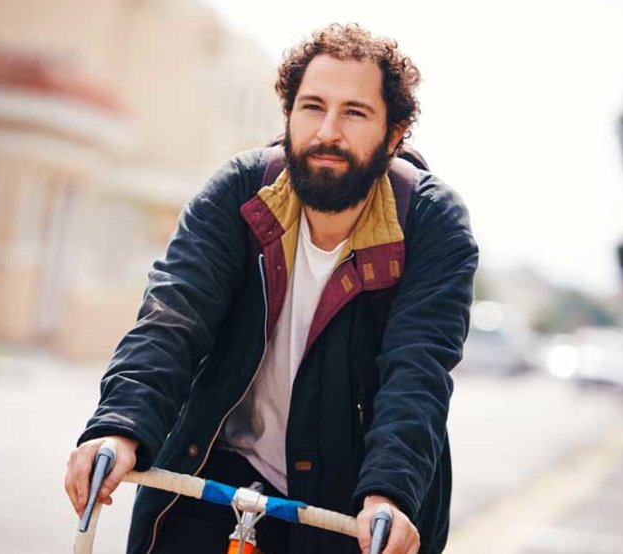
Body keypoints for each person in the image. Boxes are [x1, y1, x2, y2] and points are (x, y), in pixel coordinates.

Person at [64, 23, 478, 554]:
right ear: (288, 115)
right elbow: (172, 317)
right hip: (213, 468)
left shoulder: (430, 223)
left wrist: (388, 492)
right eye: (312, 107)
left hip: (349, 503)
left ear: (394, 134)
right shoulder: (240, 192)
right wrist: (119, 426)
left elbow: (417, 371)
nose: (328, 131)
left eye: (354, 112)